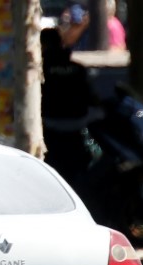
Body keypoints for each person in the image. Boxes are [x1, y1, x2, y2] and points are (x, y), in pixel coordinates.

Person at [40, 27, 96, 183]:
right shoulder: (78, 68)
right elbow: (90, 96)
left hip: (50, 127)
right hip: (77, 126)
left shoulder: (41, 69)